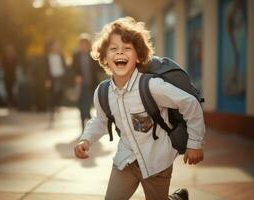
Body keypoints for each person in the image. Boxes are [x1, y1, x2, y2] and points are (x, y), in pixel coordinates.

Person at [74, 17, 205, 200]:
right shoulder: (103, 92)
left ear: (138, 56)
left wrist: (195, 143)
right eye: (113, 48)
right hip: (125, 161)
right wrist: (86, 139)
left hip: (157, 162)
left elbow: (190, 104)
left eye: (127, 48)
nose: (120, 52)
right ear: (104, 57)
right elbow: (101, 120)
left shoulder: (152, 86)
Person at [72, 33, 101, 131]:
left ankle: (88, 123)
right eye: (81, 44)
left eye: (85, 44)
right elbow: (72, 69)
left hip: (91, 84)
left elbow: (98, 68)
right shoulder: (75, 56)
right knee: (81, 105)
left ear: (88, 45)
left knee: (88, 104)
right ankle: (83, 126)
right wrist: (76, 76)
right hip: (80, 85)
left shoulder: (93, 55)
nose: (83, 46)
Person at [44, 40, 67, 126]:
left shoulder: (61, 56)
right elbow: (45, 69)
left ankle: (58, 108)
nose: (56, 47)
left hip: (60, 77)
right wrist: (47, 79)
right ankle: (52, 112)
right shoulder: (48, 57)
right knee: (52, 95)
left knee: (60, 93)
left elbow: (64, 66)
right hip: (52, 78)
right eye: (55, 45)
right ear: (51, 47)